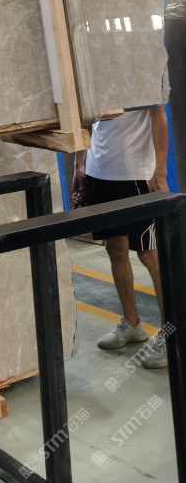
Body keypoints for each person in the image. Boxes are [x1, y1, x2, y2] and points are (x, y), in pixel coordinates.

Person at [73, 106, 170, 369]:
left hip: (136, 174)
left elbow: (158, 114)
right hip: (99, 173)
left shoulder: (138, 79)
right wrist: (80, 163)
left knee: (150, 255)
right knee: (115, 249)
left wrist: (160, 171)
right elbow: (87, 118)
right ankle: (132, 324)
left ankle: (172, 333)